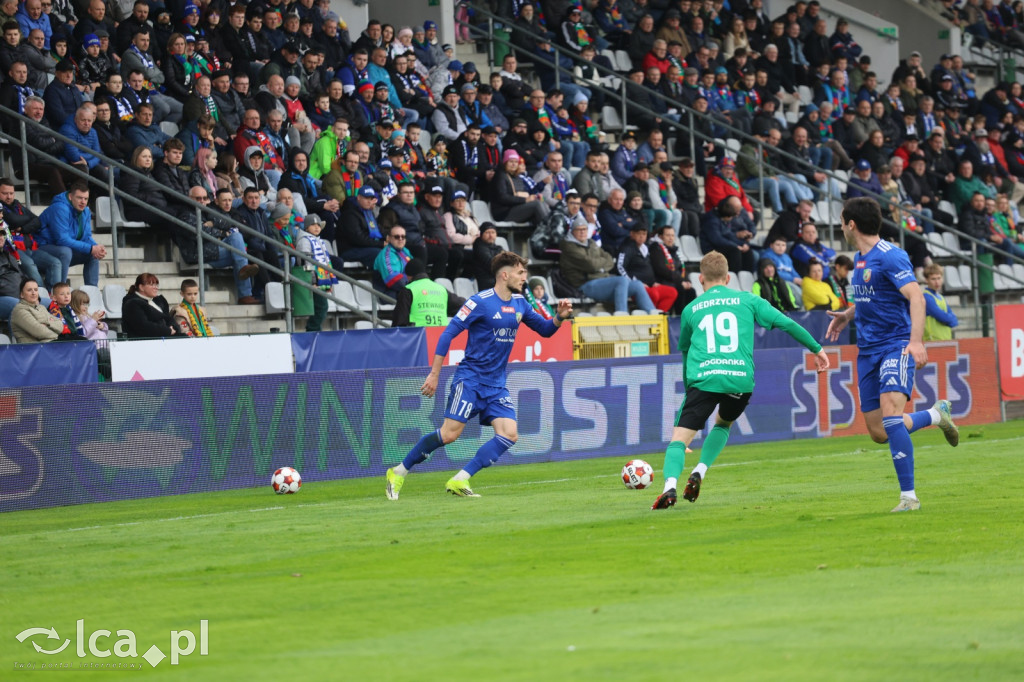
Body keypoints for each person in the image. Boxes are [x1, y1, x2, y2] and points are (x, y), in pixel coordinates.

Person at [384, 251, 573, 499]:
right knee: (450, 434)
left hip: (496, 385)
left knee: (509, 434)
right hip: (470, 379)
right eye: (520, 272)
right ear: (504, 275)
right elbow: (447, 334)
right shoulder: (479, 302)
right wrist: (434, 374)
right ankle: (398, 472)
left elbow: (546, 330)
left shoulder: (520, 304)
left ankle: (460, 479)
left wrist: (559, 317)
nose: (524, 278)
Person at [652, 251, 830, 509]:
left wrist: (689, 391)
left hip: (704, 380)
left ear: (701, 278)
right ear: (728, 278)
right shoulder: (747, 299)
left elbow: (686, 353)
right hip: (740, 381)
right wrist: (817, 349)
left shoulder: (691, 309)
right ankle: (700, 471)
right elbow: (786, 323)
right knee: (723, 425)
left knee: (678, 442)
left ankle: (669, 488)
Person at [825, 197, 961, 513]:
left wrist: (915, 342)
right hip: (868, 351)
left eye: (842, 221)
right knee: (878, 432)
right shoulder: (860, 260)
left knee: (890, 415)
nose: (841, 226)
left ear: (851, 224)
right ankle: (936, 415)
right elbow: (876, 299)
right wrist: (849, 314)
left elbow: (916, 297)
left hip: (896, 345)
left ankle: (909, 498)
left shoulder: (890, 256)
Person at [37, 182, 105, 286]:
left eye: (86, 199)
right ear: (70, 196)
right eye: (79, 198)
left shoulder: (85, 211)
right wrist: (91, 248)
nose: (83, 202)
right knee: (66, 251)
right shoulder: (60, 208)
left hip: (62, 249)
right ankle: (60, 289)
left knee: (92, 255)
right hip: (41, 248)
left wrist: (96, 248)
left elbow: (86, 237)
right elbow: (62, 240)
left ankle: (92, 292)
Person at [295, 214, 339, 332]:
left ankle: (315, 331)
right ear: (306, 227)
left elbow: (325, 261)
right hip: (313, 280)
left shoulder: (318, 240)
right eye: (313, 225)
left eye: (318, 225)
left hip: (321, 279)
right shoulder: (304, 241)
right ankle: (312, 329)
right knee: (322, 306)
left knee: (319, 307)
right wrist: (312, 280)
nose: (316, 227)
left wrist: (327, 280)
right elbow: (305, 262)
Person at [392, 258, 464, 327]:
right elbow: (464, 306)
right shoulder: (441, 289)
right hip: (441, 336)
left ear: (409, 276)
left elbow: (399, 321)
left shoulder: (408, 290)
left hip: (419, 336)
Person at [122, 273, 179, 338]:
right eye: (152, 284)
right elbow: (142, 326)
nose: (156, 288)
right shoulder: (131, 303)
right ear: (141, 287)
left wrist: (173, 327)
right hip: (144, 342)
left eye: (156, 285)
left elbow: (168, 318)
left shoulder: (159, 301)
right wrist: (167, 330)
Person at [10, 278, 65, 343]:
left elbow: (61, 325)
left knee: (78, 340)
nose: (33, 293)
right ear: (22, 294)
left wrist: (48, 324)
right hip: (33, 350)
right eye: (29, 290)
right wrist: (56, 334)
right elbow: (39, 332)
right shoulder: (19, 310)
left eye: (36, 290)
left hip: (50, 344)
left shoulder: (41, 308)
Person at [922, 263, 959, 341]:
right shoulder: (926, 297)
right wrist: (950, 320)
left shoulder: (941, 297)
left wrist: (950, 320)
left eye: (939, 278)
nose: (937, 282)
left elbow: (954, 320)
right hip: (932, 341)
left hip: (945, 339)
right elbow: (944, 317)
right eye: (933, 279)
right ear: (926, 280)